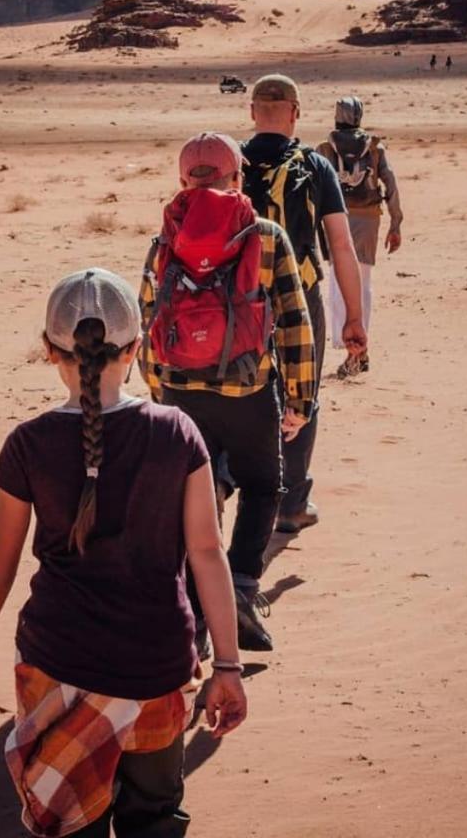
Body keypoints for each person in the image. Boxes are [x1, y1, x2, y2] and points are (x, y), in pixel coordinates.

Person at [0, 268, 247, 838]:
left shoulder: (27, 443)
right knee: (153, 817)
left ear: (48, 350)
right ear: (137, 346)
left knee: (68, 822)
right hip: (156, 667)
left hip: (57, 666)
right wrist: (227, 664)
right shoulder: (176, 432)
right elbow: (207, 553)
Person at [139, 132, 315, 653]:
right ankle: (239, 586)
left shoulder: (165, 238)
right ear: (237, 177)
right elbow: (293, 321)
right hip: (249, 390)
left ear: (182, 181)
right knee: (264, 484)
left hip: (180, 391)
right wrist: (301, 399)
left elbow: (149, 316)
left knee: (194, 496)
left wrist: (159, 397)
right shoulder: (265, 234)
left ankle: (197, 603)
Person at [239, 74, 367, 536]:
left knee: (243, 387)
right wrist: (352, 317)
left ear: (253, 112)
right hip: (301, 296)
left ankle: (232, 481)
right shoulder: (316, 166)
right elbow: (341, 246)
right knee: (302, 391)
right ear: (295, 112)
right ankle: (291, 503)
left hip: (238, 299)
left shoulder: (229, 161)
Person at [316, 97, 403, 374]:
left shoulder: (325, 149)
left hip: (335, 220)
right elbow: (389, 182)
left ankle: (353, 351)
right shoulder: (375, 148)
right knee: (362, 283)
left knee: (338, 284)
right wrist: (396, 222)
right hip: (368, 220)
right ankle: (359, 349)